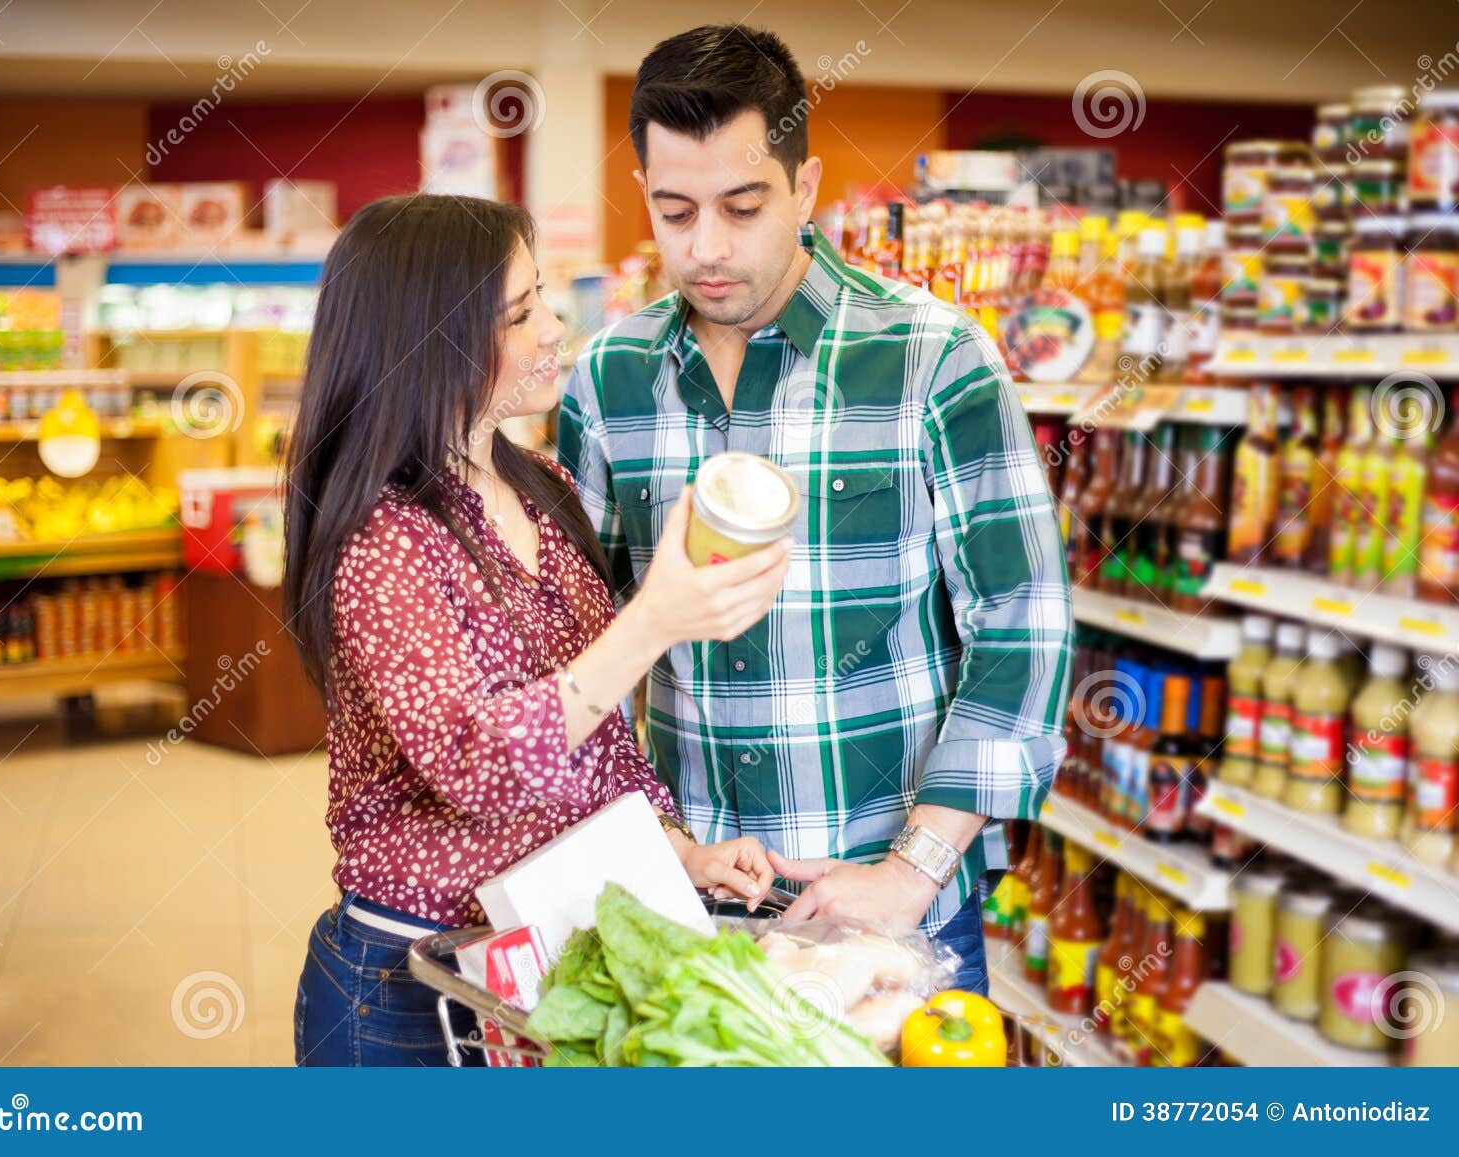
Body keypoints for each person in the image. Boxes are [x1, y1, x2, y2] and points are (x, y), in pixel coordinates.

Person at [556, 26, 1074, 996]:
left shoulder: (932, 357)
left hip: (893, 906)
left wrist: (909, 872)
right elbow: (582, 641)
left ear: (806, 188)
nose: (704, 247)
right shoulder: (608, 380)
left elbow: (1023, 627)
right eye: (673, 210)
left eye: (742, 206)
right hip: (689, 904)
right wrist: (655, 837)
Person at [283, 194, 784, 1066]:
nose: (556, 328)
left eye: (543, 297)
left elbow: (601, 747)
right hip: (411, 986)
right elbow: (475, 763)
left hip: (539, 961)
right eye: (520, 313)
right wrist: (652, 623)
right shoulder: (382, 536)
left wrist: (678, 852)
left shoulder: (540, 486)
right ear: (426, 338)